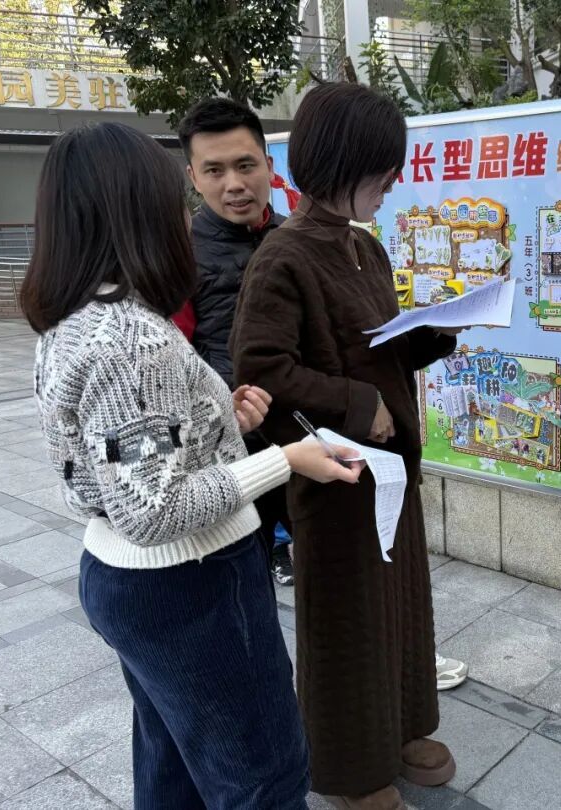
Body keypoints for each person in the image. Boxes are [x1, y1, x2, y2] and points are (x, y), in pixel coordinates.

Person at [19, 122, 365, 808]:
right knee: (263, 778)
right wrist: (286, 460)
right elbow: (155, 511)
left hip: (127, 581)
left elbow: (102, 473)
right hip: (191, 586)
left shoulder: (73, 321)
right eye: (173, 201)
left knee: (172, 765)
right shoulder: (131, 339)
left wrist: (214, 423)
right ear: (138, 215)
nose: (185, 217)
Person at [230, 82, 465, 810]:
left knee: (401, 609)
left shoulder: (364, 246)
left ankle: (403, 730)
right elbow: (262, 369)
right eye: (382, 170)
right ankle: (351, 772)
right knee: (348, 627)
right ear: (343, 164)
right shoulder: (283, 256)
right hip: (335, 478)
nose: (393, 182)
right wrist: (362, 405)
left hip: (392, 474)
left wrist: (434, 333)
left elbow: (375, 347)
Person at [174, 98, 295, 586]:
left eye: (246, 165)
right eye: (215, 170)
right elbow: (174, 361)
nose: (234, 184)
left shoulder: (298, 238)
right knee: (244, 579)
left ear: (268, 164)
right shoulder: (178, 257)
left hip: (308, 431)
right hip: (233, 449)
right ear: (193, 177)